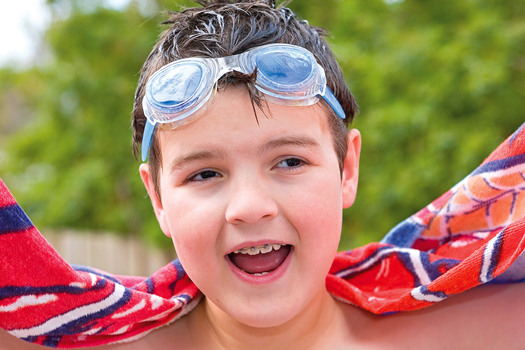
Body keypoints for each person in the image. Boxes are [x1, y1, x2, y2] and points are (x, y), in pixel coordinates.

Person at [1, 0, 525, 349]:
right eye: (205, 174)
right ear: (157, 197)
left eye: (289, 162)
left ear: (347, 169)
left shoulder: (487, 327)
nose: (250, 205)